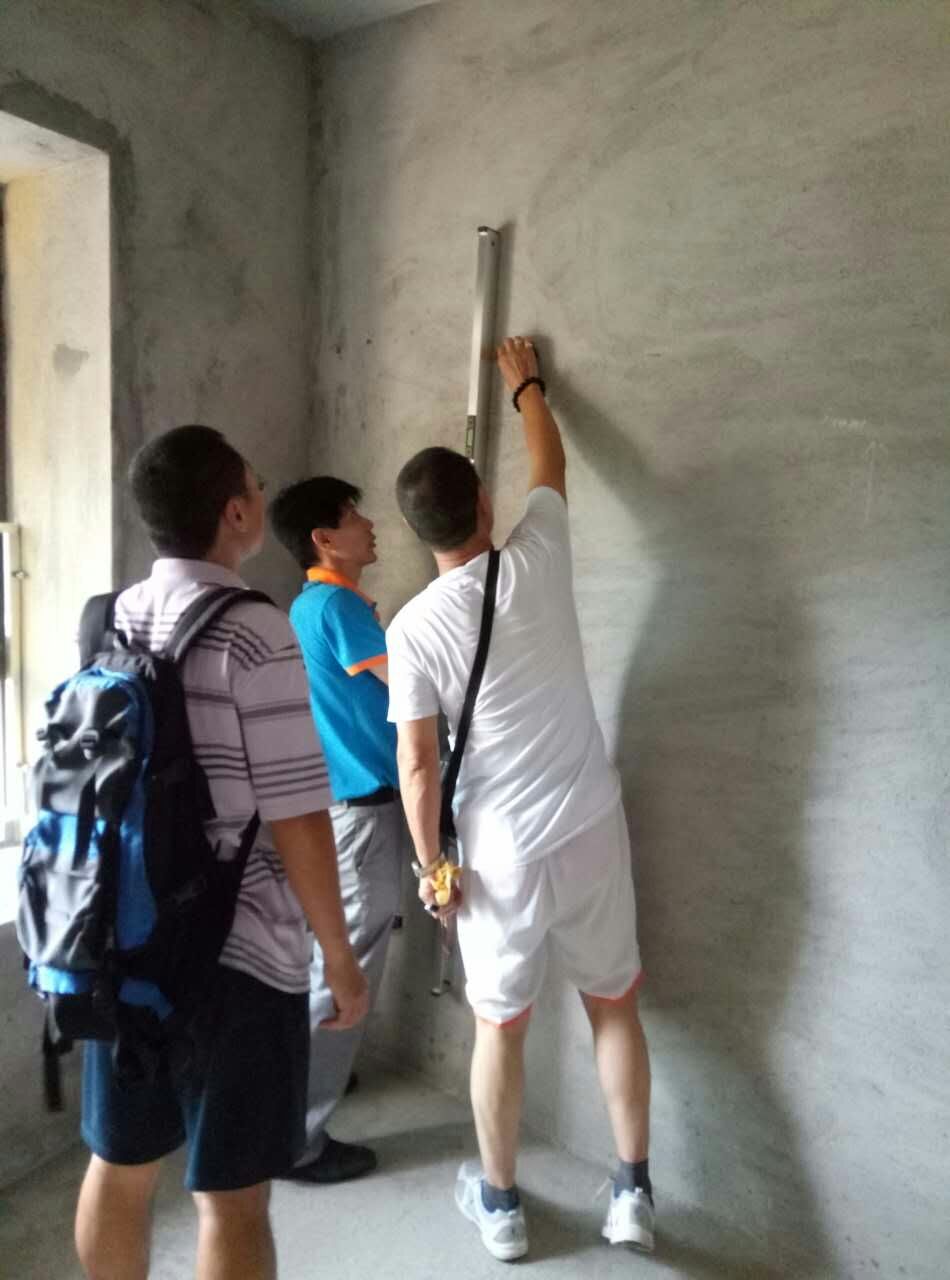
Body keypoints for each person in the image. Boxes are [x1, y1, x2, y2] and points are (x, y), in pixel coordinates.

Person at [74, 426, 368, 1280]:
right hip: (240, 956)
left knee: (119, 1167)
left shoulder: (107, 616)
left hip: (121, 937)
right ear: (234, 513)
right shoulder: (256, 631)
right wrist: (339, 956)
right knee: (231, 1197)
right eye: (255, 483)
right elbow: (298, 816)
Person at [386, 338, 655, 1261]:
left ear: (420, 532)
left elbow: (418, 765)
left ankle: (500, 1208)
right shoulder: (540, 551)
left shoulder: (411, 630)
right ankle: (632, 1194)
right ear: (485, 506)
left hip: (498, 854)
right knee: (613, 1004)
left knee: (499, 1027)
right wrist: (528, 387)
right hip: (589, 823)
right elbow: (552, 462)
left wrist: (434, 868)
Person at [269, 477, 403, 1183]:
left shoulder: (308, 605)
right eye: (355, 516)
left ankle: (309, 1077)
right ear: (325, 538)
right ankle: (295, 1136)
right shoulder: (339, 606)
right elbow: (412, 685)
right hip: (363, 807)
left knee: (335, 958)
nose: (370, 525)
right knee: (345, 965)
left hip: (342, 804)